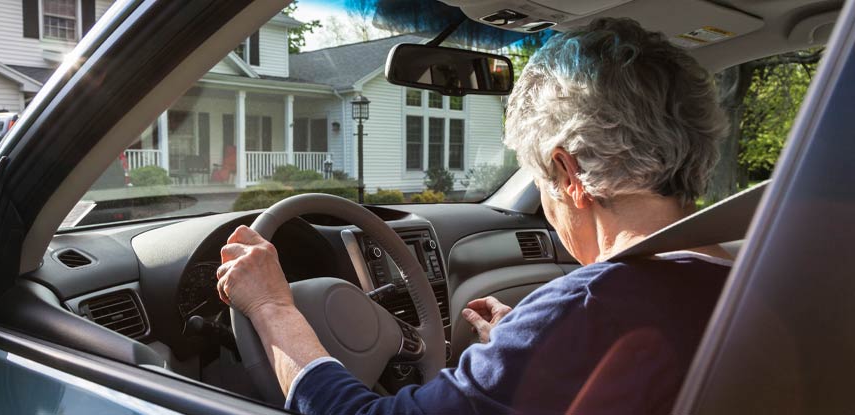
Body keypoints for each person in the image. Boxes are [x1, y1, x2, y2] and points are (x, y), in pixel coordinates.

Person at [216, 17, 732, 414]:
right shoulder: (750, 274)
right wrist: (523, 350)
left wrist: (272, 308)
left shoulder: (588, 310)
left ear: (567, 173)